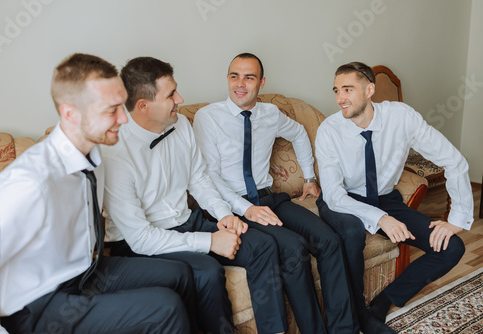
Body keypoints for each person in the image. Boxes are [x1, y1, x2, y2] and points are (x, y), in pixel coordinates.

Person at [0, 53, 198, 334]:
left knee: (179, 272)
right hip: (36, 305)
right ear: (71, 113)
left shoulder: (95, 158)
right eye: (112, 109)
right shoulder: (28, 184)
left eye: (123, 104)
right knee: (164, 307)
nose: (124, 118)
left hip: (83, 273)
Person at [102, 56, 288, 334]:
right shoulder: (112, 151)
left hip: (188, 219)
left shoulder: (181, 125)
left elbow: (199, 179)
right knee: (207, 272)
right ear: (143, 105)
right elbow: (140, 238)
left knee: (263, 246)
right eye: (170, 95)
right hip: (142, 242)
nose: (180, 98)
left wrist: (225, 215)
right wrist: (211, 241)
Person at [193, 53, 358, 334]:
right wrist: (246, 209)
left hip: (270, 198)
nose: (240, 84)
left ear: (262, 82)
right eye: (234, 76)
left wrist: (309, 177)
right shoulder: (208, 117)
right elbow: (208, 176)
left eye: (249, 77)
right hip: (234, 206)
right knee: (293, 247)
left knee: (329, 240)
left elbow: (300, 133)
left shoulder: (270, 113)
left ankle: (344, 329)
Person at [315, 61, 473, 333]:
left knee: (452, 248)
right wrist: (381, 219)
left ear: (369, 90)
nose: (340, 98)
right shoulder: (329, 130)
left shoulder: (402, 117)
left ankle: (382, 302)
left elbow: (453, 160)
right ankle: (358, 317)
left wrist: (457, 218)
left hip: (385, 198)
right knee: (351, 233)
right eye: (336, 90)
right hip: (342, 201)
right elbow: (332, 194)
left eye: (348, 89)